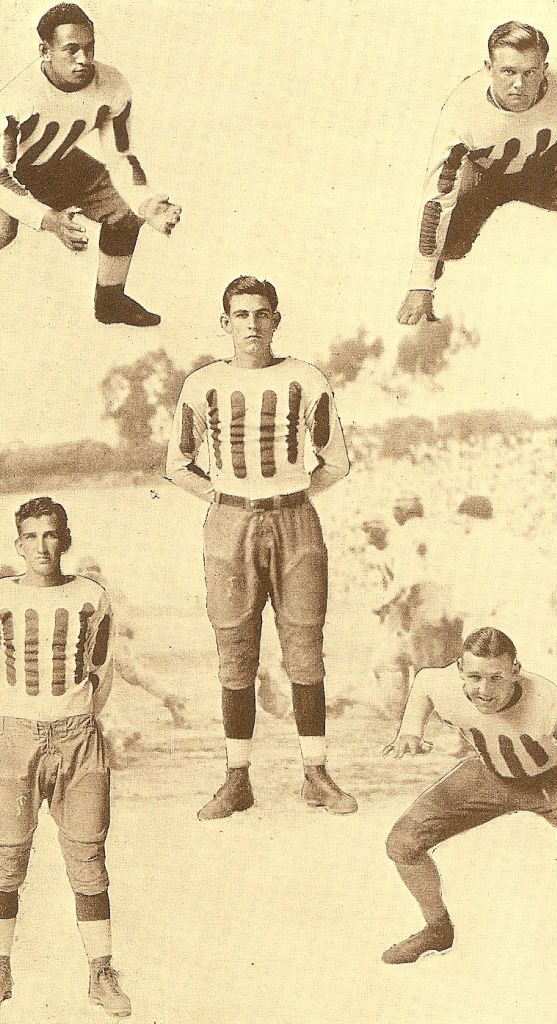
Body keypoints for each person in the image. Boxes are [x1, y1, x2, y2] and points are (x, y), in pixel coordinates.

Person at [165, 275, 357, 819]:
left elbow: (335, 460)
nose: (252, 324)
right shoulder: (202, 384)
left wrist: (289, 495)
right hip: (230, 525)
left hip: (296, 523)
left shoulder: (306, 378)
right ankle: (236, 780)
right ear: (225, 323)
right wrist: (229, 498)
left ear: (276, 320)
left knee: (304, 649)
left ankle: (316, 774)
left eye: (261, 314)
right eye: (241, 315)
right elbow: (177, 464)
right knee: (235, 653)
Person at [382, 627, 557, 1009]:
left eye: (496, 677)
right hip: (490, 774)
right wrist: (411, 730)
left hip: (555, 780)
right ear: (460, 668)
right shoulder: (442, 682)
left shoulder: (548, 705)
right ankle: (437, 929)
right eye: (475, 676)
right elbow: (424, 685)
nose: (484, 689)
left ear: (516, 670)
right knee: (402, 844)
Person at [0, 3, 181, 368]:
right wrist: (49, 219)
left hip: (46, 156)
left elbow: (120, 154)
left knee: (126, 211)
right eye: (71, 49)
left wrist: (145, 201)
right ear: (45, 51)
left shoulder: (112, 84)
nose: (84, 58)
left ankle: (110, 301)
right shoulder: (18, 98)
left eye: (90, 47)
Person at [0, 497, 131, 1017]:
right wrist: (7, 728)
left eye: (51, 535)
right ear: (18, 545)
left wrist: (73, 718)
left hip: (78, 737)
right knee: (7, 859)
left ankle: (101, 975)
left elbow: (101, 669)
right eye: (31, 537)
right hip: (12, 736)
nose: (42, 546)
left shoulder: (91, 596)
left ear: (65, 540)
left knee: (88, 860)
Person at [397, 21, 557, 326]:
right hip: (485, 175)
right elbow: (437, 197)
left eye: (530, 73)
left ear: (544, 68)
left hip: (543, 165)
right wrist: (420, 283)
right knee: (450, 244)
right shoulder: (462, 111)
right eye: (508, 71)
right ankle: (436, 264)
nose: (519, 85)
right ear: (489, 67)